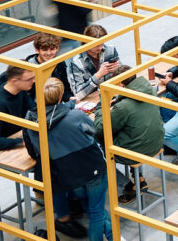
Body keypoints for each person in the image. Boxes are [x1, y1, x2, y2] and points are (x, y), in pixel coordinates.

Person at [23, 77, 111, 241]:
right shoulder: (75, 116)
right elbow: (92, 130)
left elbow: (34, 151)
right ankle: (113, 236)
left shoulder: (31, 122)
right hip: (92, 166)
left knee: (90, 205)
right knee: (97, 211)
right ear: (61, 95)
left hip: (68, 174)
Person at [94, 66, 163, 204]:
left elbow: (100, 128)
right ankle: (139, 178)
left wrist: (102, 105)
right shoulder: (149, 90)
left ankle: (128, 186)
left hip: (137, 149)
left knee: (96, 149)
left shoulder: (124, 107)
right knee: (131, 130)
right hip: (156, 142)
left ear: (120, 84)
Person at [0, 65, 36, 152]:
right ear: (14, 80)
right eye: (29, 79)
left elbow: (34, 110)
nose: (34, 81)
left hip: (15, 137)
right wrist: (21, 142)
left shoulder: (20, 90)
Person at [0, 32, 70, 91]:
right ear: (37, 50)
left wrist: (69, 98)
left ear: (57, 49)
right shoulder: (28, 68)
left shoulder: (59, 63)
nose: (49, 53)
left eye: (52, 49)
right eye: (44, 50)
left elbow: (65, 87)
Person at [68, 24, 121, 101]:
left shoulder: (111, 50)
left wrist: (119, 70)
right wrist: (98, 75)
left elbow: (123, 76)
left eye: (102, 43)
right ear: (86, 42)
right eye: (96, 45)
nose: (100, 47)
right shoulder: (76, 62)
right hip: (92, 101)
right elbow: (78, 94)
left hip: (113, 94)